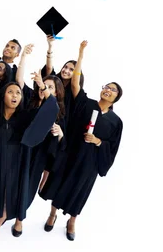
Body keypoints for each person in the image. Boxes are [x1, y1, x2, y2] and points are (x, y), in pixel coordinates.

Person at [40, 41, 123, 241]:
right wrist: (80, 55)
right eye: (106, 87)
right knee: (60, 182)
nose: (107, 90)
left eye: (112, 90)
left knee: (80, 190)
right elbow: (75, 84)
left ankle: (72, 221)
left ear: (116, 98)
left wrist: (97, 142)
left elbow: (112, 147)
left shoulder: (115, 122)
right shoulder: (88, 104)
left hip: (90, 162)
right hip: (73, 152)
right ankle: (52, 214)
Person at [0, 74, 59, 252]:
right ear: (3, 95)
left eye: (18, 93)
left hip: (13, 168)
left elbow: (51, 109)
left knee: (5, 203)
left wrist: (43, 86)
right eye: (10, 91)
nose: (14, 95)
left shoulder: (27, 117)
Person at [11, 44, 66, 236]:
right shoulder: (29, 100)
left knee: (28, 188)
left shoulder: (57, 112)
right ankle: (6, 213)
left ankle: (20, 220)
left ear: (57, 92)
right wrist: (24, 57)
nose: (45, 89)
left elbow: (58, 145)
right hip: (20, 150)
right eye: (44, 86)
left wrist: (60, 134)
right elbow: (18, 80)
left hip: (38, 157)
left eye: (51, 87)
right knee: (11, 183)